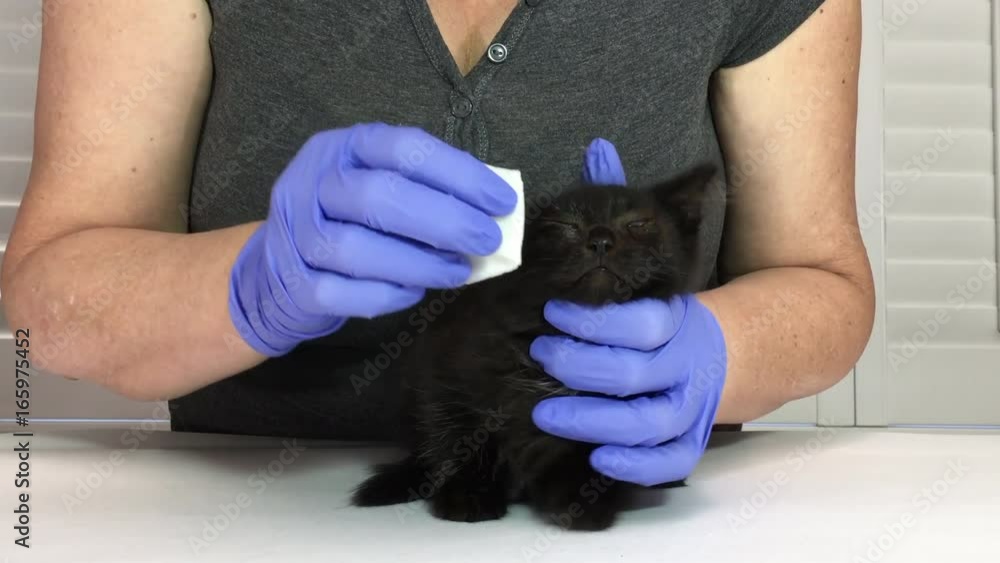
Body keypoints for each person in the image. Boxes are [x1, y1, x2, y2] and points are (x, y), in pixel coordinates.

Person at [1, 0, 872, 487]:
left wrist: (718, 351)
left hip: (626, 519)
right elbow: (51, 293)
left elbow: (824, 277)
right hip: (235, 524)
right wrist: (251, 281)